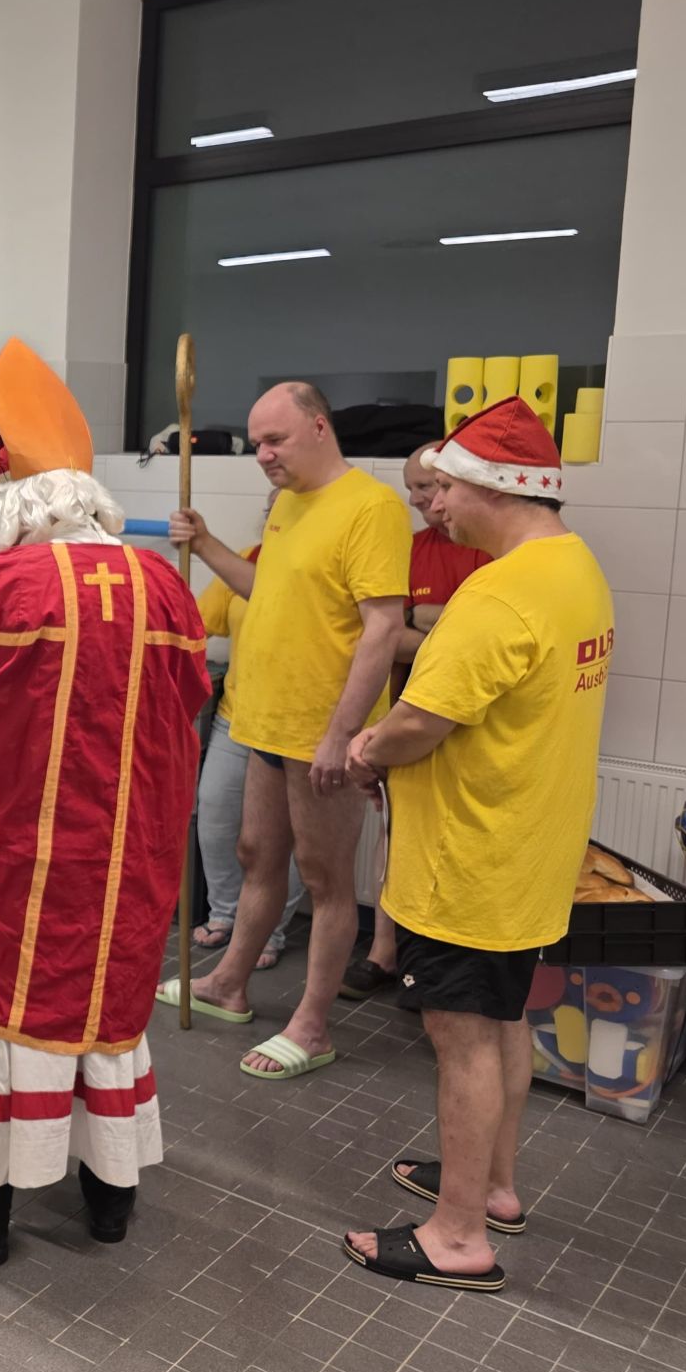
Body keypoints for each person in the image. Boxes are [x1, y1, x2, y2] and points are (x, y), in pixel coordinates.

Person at [0, 339, 212, 1267]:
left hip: (16, 870)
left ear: (10, 497)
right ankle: (109, 1199)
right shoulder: (161, 585)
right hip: (124, 862)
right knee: (109, 1021)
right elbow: (184, 709)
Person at [340, 398, 609, 1292]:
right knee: (502, 1019)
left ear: (492, 487)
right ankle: (490, 1186)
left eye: (445, 488)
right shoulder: (576, 569)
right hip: (531, 849)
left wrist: (366, 750)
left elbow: (421, 719)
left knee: (461, 1037)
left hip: (472, 857)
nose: (436, 506)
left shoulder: (498, 595)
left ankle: (456, 1237)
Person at [163, 381, 409, 1080]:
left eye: (276, 440)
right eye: (257, 444)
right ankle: (229, 984)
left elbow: (383, 628)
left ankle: (312, 1025)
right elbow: (265, 592)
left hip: (320, 730)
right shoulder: (292, 506)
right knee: (255, 856)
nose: (263, 454)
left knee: (325, 878)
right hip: (264, 720)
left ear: (320, 428)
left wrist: (342, 734)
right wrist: (205, 542)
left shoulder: (372, 507)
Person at [342, 442, 493, 1000]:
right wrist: (433, 624)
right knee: (396, 834)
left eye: (428, 487)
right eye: (412, 488)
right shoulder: (407, 551)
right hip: (408, 712)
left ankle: (442, 968)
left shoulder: (493, 553)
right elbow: (385, 637)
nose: (418, 499)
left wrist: (419, 620)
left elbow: (485, 642)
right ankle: (384, 951)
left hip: (475, 725)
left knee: (461, 847)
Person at [191, 494, 306, 968]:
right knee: (215, 816)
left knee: (283, 839)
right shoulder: (242, 563)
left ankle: (268, 932)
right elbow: (196, 625)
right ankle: (225, 914)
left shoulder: (322, 574)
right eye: (272, 509)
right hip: (237, 716)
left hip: (297, 724)